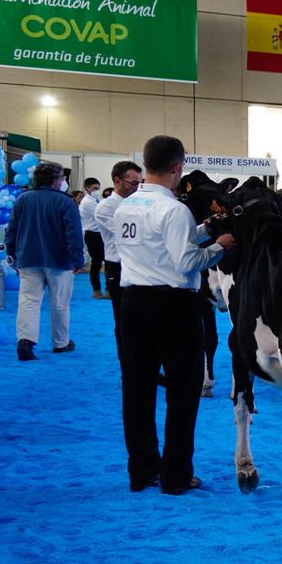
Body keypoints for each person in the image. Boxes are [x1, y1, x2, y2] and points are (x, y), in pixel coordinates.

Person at [115, 135, 234, 495]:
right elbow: (186, 261)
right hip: (172, 306)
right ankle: (176, 475)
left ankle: (142, 471)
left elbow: (161, 243)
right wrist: (218, 246)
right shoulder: (174, 210)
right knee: (183, 391)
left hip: (132, 302)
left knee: (137, 389)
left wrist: (203, 230)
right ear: (177, 168)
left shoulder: (124, 207)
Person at [5, 161, 84, 361]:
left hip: (28, 258)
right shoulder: (66, 201)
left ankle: (25, 342)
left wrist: (12, 253)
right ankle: (60, 343)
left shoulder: (23, 199)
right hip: (59, 260)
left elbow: (11, 229)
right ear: (57, 180)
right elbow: (73, 234)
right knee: (59, 304)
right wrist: (77, 259)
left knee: (28, 302)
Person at [94, 160, 143, 339]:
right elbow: (128, 236)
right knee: (123, 321)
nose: (137, 187)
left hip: (140, 266)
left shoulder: (140, 202)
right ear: (117, 181)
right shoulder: (105, 207)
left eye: (140, 183)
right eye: (133, 183)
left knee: (143, 321)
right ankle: (128, 365)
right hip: (119, 267)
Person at [80, 177, 107, 299]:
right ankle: (96, 290)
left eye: (98, 188)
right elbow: (102, 215)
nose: (97, 190)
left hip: (102, 234)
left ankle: (109, 289)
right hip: (92, 235)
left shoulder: (98, 199)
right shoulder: (87, 202)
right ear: (87, 189)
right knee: (96, 263)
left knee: (109, 262)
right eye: (94, 188)